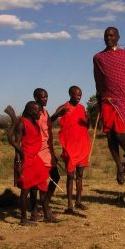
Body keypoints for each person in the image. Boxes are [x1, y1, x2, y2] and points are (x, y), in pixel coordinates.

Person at [93, 27, 125, 185]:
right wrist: (98, 102)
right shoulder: (98, 58)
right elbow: (98, 81)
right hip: (107, 100)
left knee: (119, 133)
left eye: (112, 35)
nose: (108, 38)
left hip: (124, 99)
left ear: (118, 37)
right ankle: (119, 166)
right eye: (106, 35)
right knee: (110, 136)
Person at [53, 86, 91, 214]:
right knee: (70, 176)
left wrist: (89, 118)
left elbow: (86, 126)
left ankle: (78, 202)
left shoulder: (81, 108)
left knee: (80, 175)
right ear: (70, 94)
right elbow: (51, 120)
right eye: (77, 95)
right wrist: (59, 114)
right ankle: (69, 205)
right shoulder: (64, 107)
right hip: (69, 147)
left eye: (80, 95)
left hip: (82, 146)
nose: (79, 97)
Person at [11, 101, 49, 226]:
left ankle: (47, 213)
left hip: (35, 158)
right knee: (25, 189)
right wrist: (19, 164)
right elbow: (17, 146)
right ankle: (23, 219)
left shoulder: (35, 122)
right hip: (25, 159)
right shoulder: (22, 123)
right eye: (37, 111)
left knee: (43, 182)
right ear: (30, 110)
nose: (40, 112)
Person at [33, 88, 60, 222]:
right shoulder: (34, 112)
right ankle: (44, 211)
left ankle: (45, 203)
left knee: (56, 176)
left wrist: (57, 115)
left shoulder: (45, 112)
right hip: (38, 151)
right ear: (36, 98)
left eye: (47, 97)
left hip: (48, 150)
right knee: (40, 182)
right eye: (43, 97)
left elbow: (49, 125)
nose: (45, 99)